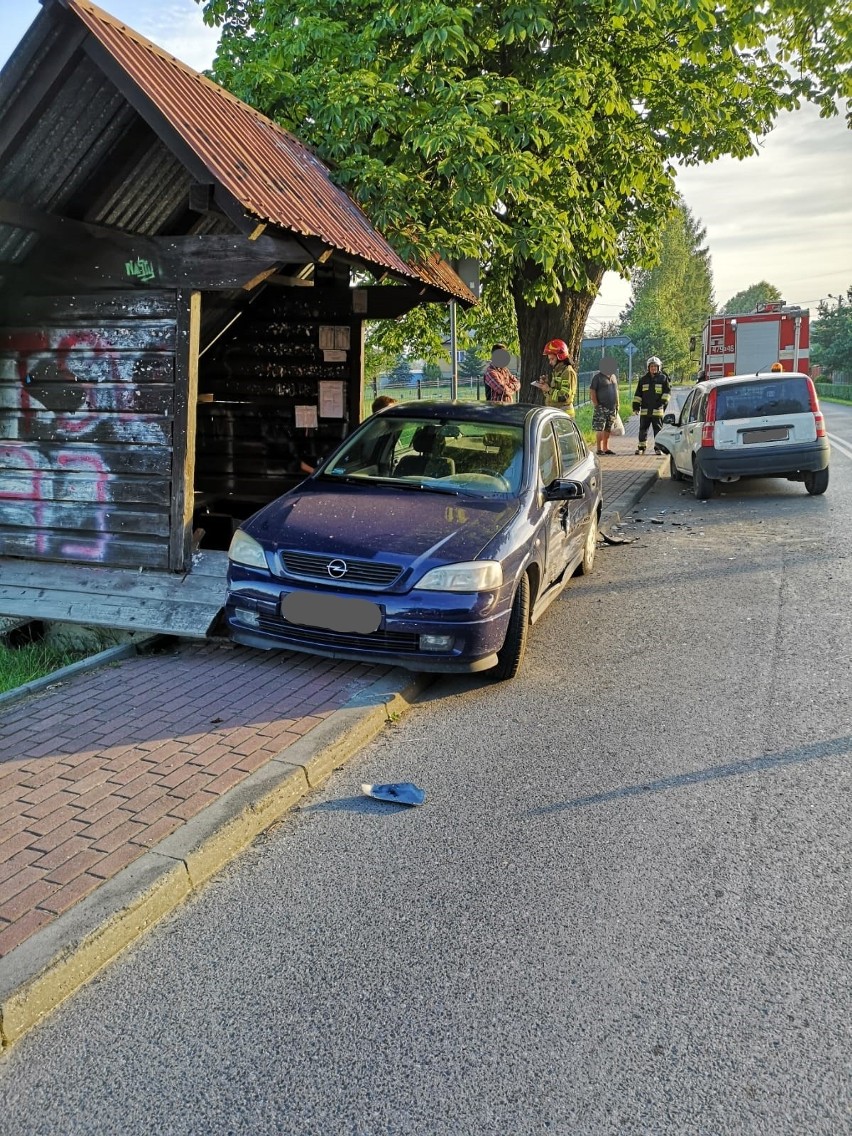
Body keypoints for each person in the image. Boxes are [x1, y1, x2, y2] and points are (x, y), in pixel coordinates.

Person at [631, 355, 671, 454]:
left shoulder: (663, 379)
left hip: (657, 409)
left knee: (658, 429)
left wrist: (661, 403)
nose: (653, 368)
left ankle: (658, 448)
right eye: (651, 366)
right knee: (643, 429)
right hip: (645, 409)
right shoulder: (643, 379)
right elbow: (638, 394)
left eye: (655, 366)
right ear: (648, 367)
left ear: (659, 367)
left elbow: (667, 393)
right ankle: (641, 448)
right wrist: (636, 407)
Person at [533, 339, 577, 416]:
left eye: (552, 359)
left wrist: (549, 389)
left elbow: (564, 396)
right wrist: (545, 385)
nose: (550, 362)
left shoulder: (568, 372)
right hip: (555, 412)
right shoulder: (558, 371)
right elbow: (552, 396)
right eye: (549, 359)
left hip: (564, 414)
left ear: (560, 357)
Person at [589, 367, 620, 455]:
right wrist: (596, 405)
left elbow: (616, 390)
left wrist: (618, 404)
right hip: (601, 407)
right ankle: (599, 448)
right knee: (600, 428)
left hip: (612, 407)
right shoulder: (597, 377)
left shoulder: (613, 377)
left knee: (608, 428)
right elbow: (592, 391)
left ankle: (606, 448)